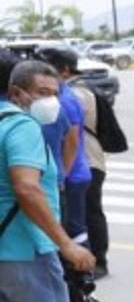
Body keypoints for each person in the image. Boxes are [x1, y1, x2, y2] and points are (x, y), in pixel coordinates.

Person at [0, 58, 100, 302]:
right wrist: (66, 244)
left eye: (55, 93)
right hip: (29, 250)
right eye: (42, 93)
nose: (51, 102)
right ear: (17, 93)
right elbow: (27, 188)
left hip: (3, 254)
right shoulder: (22, 127)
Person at [40, 49, 91, 257]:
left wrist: (63, 175)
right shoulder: (61, 95)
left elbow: (72, 141)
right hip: (72, 173)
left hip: (72, 176)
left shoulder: (64, 101)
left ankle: (83, 270)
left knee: (74, 228)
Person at [72, 76, 111, 278]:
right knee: (89, 212)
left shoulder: (74, 95)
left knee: (89, 213)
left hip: (86, 161)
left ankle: (98, 261)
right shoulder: (87, 91)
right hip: (91, 159)